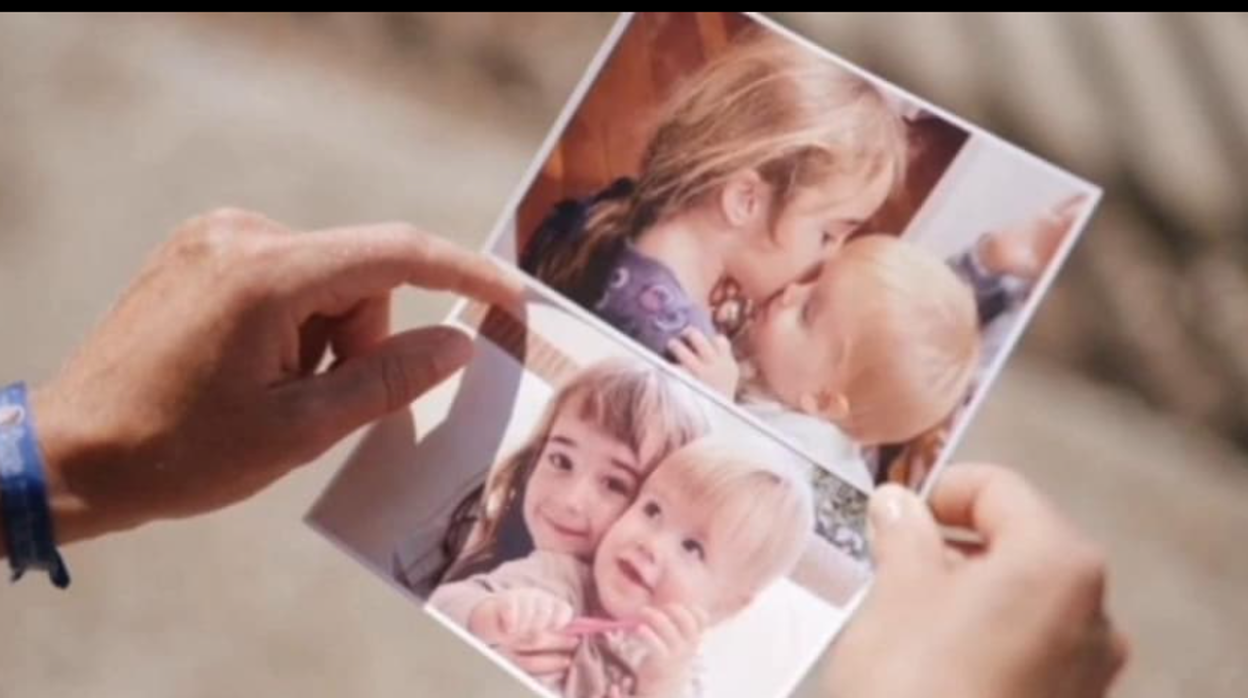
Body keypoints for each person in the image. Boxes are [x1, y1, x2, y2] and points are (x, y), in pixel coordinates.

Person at [0, 209, 1127, 697]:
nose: (781, 290)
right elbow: (507, 597)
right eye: (643, 505)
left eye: (806, 300)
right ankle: (994, 263)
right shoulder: (548, 567)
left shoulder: (789, 442)